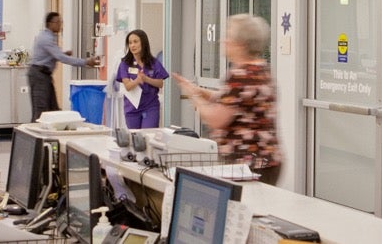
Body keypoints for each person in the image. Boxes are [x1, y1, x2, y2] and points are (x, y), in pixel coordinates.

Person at [172, 14, 281, 185]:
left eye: (228, 36)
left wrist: (192, 95)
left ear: (241, 44)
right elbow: (228, 99)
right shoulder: (258, 68)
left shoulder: (241, 75)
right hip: (264, 160)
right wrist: (198, 90)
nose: (222, 41)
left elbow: (216, 120)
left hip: (249, 164)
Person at [30, 12, 101, 120]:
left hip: (43, 75)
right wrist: (86, 62)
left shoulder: (49, 36)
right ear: (50, 24)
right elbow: (61, 58)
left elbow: (55, 54)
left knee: (52, 108)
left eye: (61, 22)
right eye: (58, 22)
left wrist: (61, 54)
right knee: (41, 110)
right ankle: (36, 136)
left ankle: (52, 135)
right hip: (39, 75)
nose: (60, 25)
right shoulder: (46, 39)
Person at [113, 29, 168, 129]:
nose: (132, 45)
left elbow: (160, 83)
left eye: (135, 42)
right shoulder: (125, 64)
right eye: (130, 43)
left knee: (148, 135)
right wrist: (137, 81)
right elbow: (128, 86)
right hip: (132, 108)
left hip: (150, 106)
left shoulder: (153, 63)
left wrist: (146, 79)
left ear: (143, 42)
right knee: (136, 138)